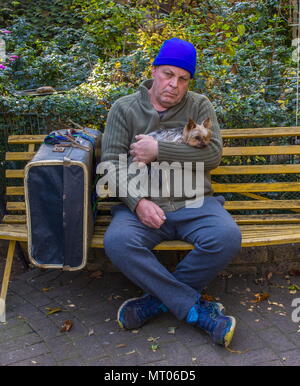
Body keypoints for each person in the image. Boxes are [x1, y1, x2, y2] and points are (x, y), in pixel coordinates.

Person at [100, 38, 242, 347]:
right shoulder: (124, 108)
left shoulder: (199, 105)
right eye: (167, 74)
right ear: (153, 71)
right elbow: (111, 163)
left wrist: (158, 149)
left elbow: (212, 155)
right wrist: (138, 203)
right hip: (143, 206)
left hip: (195, 201)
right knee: (119, 242)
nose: (173, 84)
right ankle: (194, 311)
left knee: (227, 236)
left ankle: (156, 302)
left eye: (182, 78)